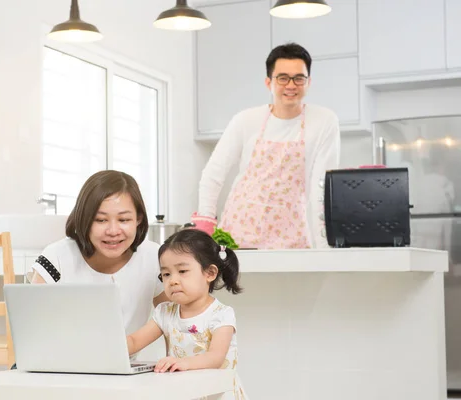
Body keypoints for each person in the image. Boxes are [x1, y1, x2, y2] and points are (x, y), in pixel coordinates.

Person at [192, 42, 341, 249]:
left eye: (299, 78)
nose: (291, 85)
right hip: (239, 232)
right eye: (282, 78)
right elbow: (213, 175)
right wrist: (205, 228)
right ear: (268, 82)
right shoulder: (245, 120)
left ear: (309, 82)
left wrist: (325, 245)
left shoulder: (324, 121)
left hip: (292, 236)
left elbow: (322, 187)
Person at [29, 170, 168, 337]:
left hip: (126, 362)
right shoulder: (56, 257)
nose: (113, 231)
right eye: (100, 220)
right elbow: (32, 327)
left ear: (138, 219)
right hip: (60, 361)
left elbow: (174, 319)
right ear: (84, 219)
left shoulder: (154, 257)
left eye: (124, 220)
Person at [126, 229, 248, 399]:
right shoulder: (165, 312)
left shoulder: (221, 314)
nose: (173, 280)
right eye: (166, 274)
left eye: (182, 271)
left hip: (218, 394)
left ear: (210, 273)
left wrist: (183, 363)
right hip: (186, 393)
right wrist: (103, 349)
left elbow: (215, 357)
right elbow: (134, 341)